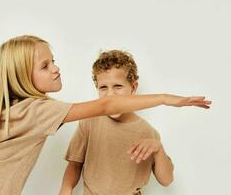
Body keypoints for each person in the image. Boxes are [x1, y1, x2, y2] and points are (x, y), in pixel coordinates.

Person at [0, 36, 211, 195]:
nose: (55, 68)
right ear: (22, 75)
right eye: (45, 65)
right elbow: (105, 107)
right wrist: (164, 98)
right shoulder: (39, 110)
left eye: (53, 60)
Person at [59, 50, 208, 195]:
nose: (110, 94)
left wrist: (158, 149)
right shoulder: (89, 121)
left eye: (118, 86)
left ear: (134, 87)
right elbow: (75, 165)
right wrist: (66, 189)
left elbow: (167, 180)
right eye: (103, 87)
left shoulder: (147, 132)